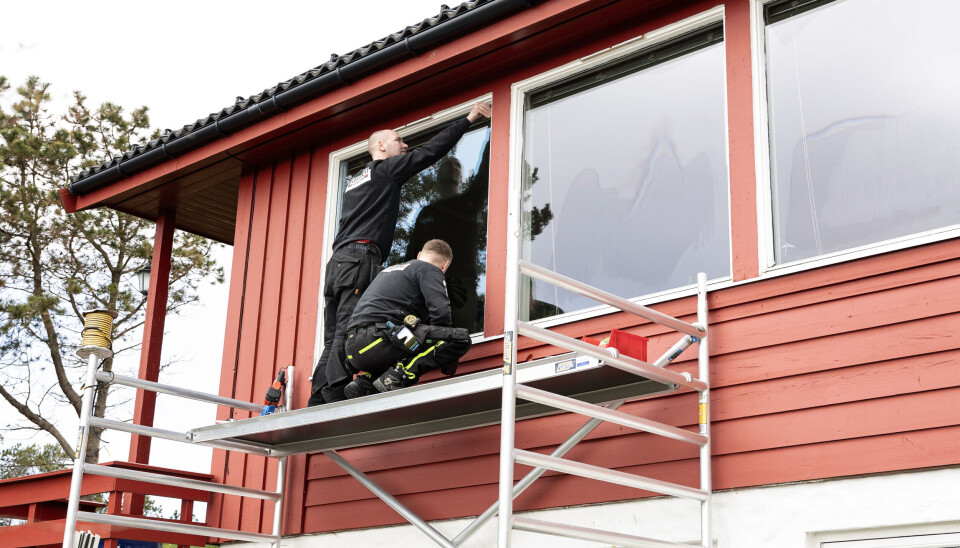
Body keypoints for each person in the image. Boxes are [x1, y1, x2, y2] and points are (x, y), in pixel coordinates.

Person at [307, 102, 492, 407]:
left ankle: (318, 399)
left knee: (334, 337)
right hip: (359, 257)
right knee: (347, 330)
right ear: (380, 146)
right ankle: (333, 399)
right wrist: (468, 120)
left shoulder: (356, 180)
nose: (405, 145)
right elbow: (430, 152)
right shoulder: (384, 171)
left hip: (338, 262)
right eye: (398, 140)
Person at [342, 239, 471, 398]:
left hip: (353, 349)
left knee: (409, 338)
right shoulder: (430, 270)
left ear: (419, 255)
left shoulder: (389, 271)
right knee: (459, 339)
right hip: (379, 340)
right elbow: (441, 314)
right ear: (444, 265)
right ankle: (399, 376)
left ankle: (365, 383)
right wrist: (442, 345)